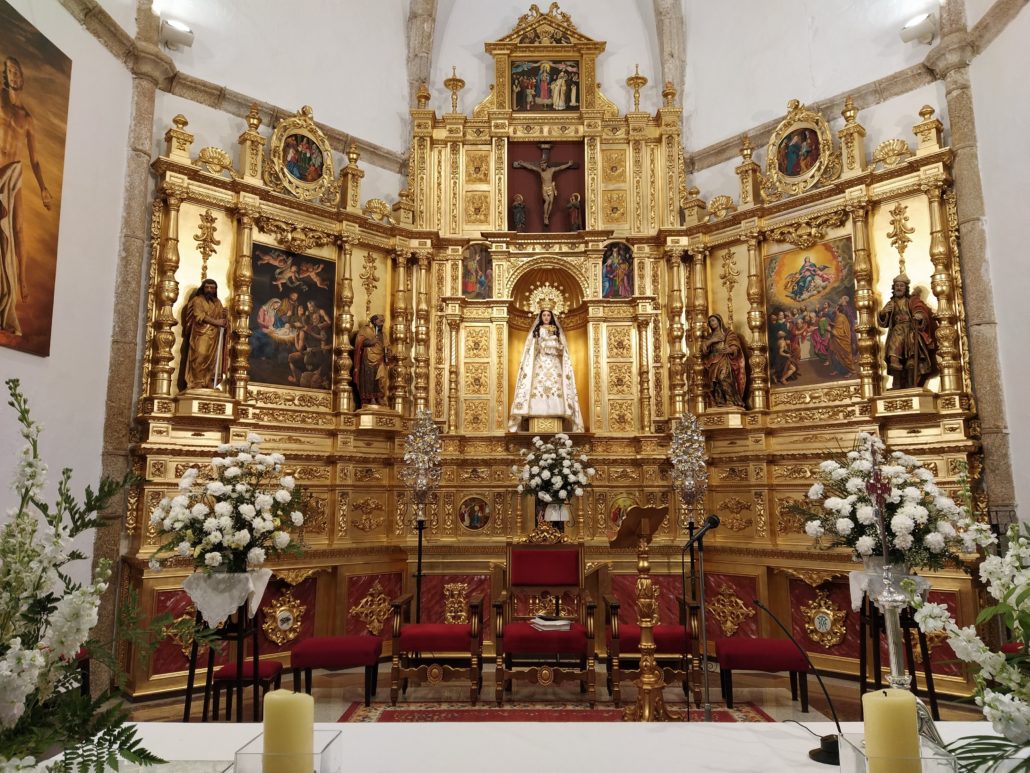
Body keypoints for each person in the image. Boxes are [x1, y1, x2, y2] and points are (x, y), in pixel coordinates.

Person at [0, 57, 53, 336]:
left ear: (21, 77)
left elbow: (35, 160)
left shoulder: (27, 118)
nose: (12, 75)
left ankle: (21, 279)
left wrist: (43, 187)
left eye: (15, 71)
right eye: (7, 71)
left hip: (14, 173)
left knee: (18, 229)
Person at [508, 307, 584, 432]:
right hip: (540, 364)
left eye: (548, 315)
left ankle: (557, 412)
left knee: (555, 385)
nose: (546, 318)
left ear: (551, 317)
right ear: (540, 317)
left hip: (554, 364)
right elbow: (531, 349)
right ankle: (535, 413)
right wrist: (540, 343)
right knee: (538, 385)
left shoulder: (556, 330)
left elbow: (563, 349)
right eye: (544, 315)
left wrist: (556, 344)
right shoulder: (537, 331)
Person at [878, 274, 937, 389]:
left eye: (901, 286)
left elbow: (919, 308)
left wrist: (919, 315)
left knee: (911, 360)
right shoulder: (891, 303)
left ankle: (912, 383)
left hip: (911, 331)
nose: (899, 288)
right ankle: (897, 384)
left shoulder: (911, 300)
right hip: (896, 333)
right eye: (897, 286)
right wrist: (883, 313)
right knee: (893, 357)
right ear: (894, 288)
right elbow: (883, 322)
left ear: (906, 288)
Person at [179, 278, 229, 391]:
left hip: (214, 335)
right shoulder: (197, 300)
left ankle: (207, 381)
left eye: (212, 288)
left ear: (215, 290)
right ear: (203, 288)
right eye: (207, 287)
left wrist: (225, 316)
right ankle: (197, 381)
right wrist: (217, 322)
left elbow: (222, 320)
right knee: (199, 356)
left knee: (211, 360)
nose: (209, 290)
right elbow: (199, 316)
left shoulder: (218, 303)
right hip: (200, 334)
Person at [513, 146, 578, 227]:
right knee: (547, 200)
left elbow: (561, 167)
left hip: (551, 188)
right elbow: (531, 167)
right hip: (544, 188)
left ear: (546, 164)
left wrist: (568, 164)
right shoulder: (540, 171)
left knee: (551, 202)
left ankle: (547, 215)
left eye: (542, 165)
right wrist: (523, 163)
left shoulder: (551, 170)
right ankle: (545, 216)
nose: (541, 167)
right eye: (540, 165)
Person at [700, 314, 747, 408]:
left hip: (724, 358)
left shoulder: (728, 333)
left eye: (713, 320)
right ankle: (720, 401)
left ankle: (731, 400)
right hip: (712, 361)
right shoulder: (709, 337)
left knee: (724, 378)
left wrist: (731, 349)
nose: (711, 323)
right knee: (715, 383)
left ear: (719, 321)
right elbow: (703, 349)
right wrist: (712, 340)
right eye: (710, 322)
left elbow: (734, 343)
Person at [353, 314, 391, 407]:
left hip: (380, 359)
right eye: (380, 321)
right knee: (369, 379)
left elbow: (387, 345)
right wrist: (370, 342)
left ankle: (379, 397)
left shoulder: (383, 334)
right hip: (368, 358)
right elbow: (359, 342)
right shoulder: (366, 330)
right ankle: (371, 398)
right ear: (374, 321)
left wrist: (388, 351)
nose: (382, 323)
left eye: (383, 321)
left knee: (381, 379)